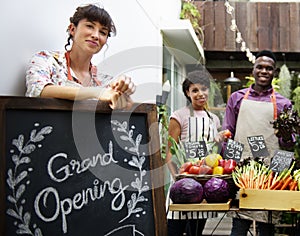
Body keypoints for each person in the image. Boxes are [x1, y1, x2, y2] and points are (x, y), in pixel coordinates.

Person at [222, 50, 296, 236]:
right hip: (243, 170)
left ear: (274, 72)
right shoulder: (237, 98)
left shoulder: (283, 103)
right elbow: (228, 134)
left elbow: (288, 146)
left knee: (266, 226)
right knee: (239, 227)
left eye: (269, 68)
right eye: (260, 67)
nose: (264, 71)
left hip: (270, 171)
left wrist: (287, 139)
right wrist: (229, 167)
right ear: (253, 70)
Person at [25, 4, 136, 110]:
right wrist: (97, 93)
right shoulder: (46, 60)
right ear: (72, 29)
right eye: (89, 26)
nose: (96, 36)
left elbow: (121, 104)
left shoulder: (104, 82)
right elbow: (39, 90)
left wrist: (123, 89)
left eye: (103, 32)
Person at [165, 69, 228, 236]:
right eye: (195, 90)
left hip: (204, 182)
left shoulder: (213, 119)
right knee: (175, 228)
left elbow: (212, 151)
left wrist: (218, 140)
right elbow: (169, 152)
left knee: (197, 229)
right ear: (187, 93)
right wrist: (176, 179)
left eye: (204, 89)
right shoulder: (178, 116)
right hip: (183, 179)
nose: (200, 94)